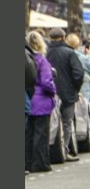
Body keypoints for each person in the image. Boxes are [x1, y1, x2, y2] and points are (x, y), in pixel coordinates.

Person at [46, 27, 84, 162]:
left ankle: (49, 151)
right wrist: (75, 89)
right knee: (67, 122)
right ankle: (65, 149)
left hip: (48, 93)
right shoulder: (69, 53)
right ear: (63, 37)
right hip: (68, 94)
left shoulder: (45, 53)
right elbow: (78, 74)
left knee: (49, 123)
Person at [25, 31, 57, 174]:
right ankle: (40, 163)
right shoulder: (41, 61)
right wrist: (53, 91)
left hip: (29, 99)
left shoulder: (26, 58)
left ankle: (28, 163)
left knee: (29, 134)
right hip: (42, 101)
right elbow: (46, 82)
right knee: (41, 134)